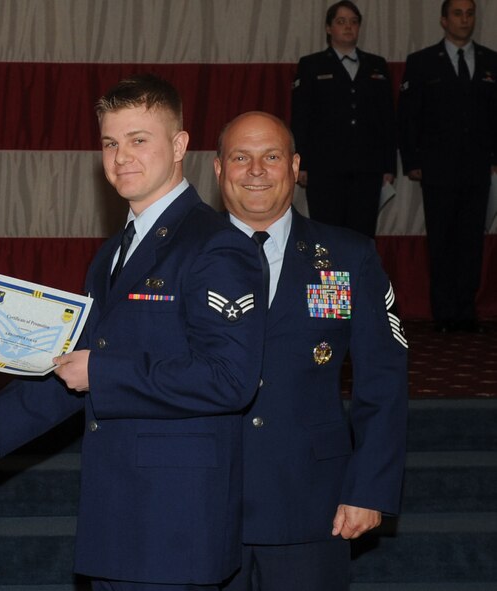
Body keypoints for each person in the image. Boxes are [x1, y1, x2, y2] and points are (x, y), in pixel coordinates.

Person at [0, 74, 266, 589]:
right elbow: (76, 365)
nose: (121, 156)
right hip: (118, 517)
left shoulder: (216, 245)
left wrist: (103, 371)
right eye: (110, 142)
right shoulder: (113, 254)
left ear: (179, 146)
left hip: (174, 526)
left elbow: (230, 378)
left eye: (138, 140)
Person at [214, 112, 409, 591]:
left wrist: (369, 488)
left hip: (312, 504)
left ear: (295, 166)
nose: (256, 170)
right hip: (203, 502)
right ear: (219, 170)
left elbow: (382, 382)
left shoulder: (347, 256)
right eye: (241, 157)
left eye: (271, 156)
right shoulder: (180, 258)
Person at [398, 0, 497, 333]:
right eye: (457, 13)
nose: (464, 19)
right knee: (441, 243)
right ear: (444, 20)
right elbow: (409, 117)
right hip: (436, 169)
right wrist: (412, 161)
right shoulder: (423, 62)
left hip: (478, 169)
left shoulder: (490, 61)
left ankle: (465, 312)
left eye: (470, 14)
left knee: (471, 243)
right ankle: (444, 314)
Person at [290, 0, 397, 239]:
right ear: (329, 28)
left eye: (353, 22)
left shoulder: (376, 65)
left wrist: (389, 165)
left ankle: (359, 279)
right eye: (341, 21)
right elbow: (301, 116)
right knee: (327, 234)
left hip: (367, 169)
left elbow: (387, 119)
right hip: (324, 169)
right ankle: (327, 279)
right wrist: (301, 163)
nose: (348, 27)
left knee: (362, 235)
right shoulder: (311, 65)